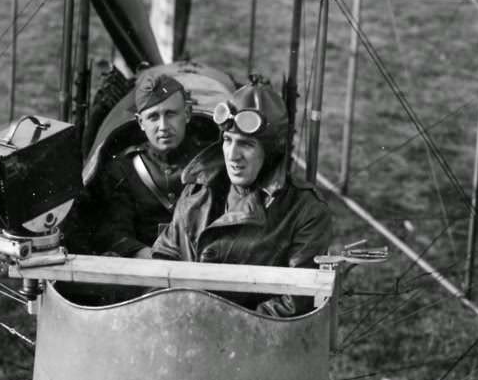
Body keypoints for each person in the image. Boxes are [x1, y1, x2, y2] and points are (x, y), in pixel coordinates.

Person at [150, 78, 333, 316]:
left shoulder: (305, 211)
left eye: (246, 144)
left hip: (247, 341)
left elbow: (295, 302)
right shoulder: (196, 189)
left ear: (270, 151)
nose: (233, 156)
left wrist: (219, 324)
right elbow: (164, 257)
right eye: (227, 140)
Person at [91, 71, 208, 258]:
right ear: (141, 122)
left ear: (187, 114)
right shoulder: (123, 170)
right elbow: (114, 233)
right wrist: (150, 257)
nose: (163, 126)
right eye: (153, 117)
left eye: (171, 114)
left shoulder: (210, 163)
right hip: (144, 271)